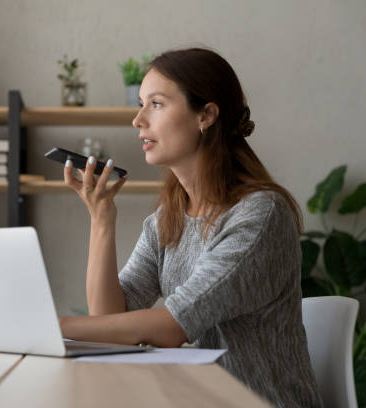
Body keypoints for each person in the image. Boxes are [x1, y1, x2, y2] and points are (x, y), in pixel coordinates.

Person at [60, 47, 322, 407]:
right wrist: (102, 218)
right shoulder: (167, 220)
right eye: (141, 103)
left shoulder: (260, 216)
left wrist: (48, 329)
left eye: (156, 104)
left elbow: (173, 326)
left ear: (206, 115)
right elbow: (108, 322)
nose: (138, 120)